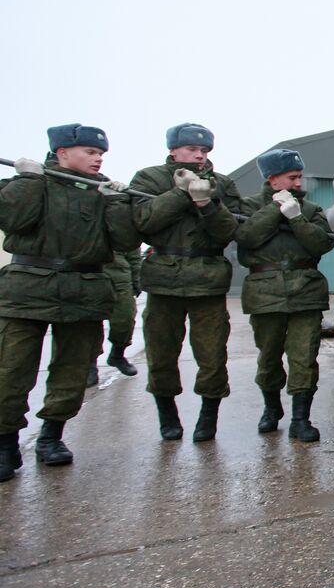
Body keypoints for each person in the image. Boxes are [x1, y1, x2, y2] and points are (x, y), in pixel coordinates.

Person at [0, 125, 140, 482]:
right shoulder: (30, 183)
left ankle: (52, 437)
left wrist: (116, 202)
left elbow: (124, 241)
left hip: (84, 289)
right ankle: (5, 444)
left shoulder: (100, 192)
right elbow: (13, 219)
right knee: (12, 370)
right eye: (90, 153)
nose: (98, 159)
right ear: (62, 152)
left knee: (72, 370)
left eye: (101, 155)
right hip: (28, 289)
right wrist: (27, 181)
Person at [130, 123, 241, 442]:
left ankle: (208, 417)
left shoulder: (221, 184)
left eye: (204, 151)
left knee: (212, 355)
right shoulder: (149, 178)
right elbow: (143, 222)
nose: (199, 155)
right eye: (192, 149)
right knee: (161, 353)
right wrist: (180, 193)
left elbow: (228, 231)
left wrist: (208, 204)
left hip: (207, 278)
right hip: (164, 279)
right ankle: (168, 415)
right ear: (173, 150)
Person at [234, 149, 333, 442]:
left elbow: (320, 244)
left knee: (304, 358)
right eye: (292, 177)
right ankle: (271, 409)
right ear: (273, 179)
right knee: (269, 358)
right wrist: (274, 210)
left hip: (306, 292)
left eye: (300, 176)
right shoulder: (248, 206)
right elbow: (246, 239)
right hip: (266, 295)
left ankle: (300, 420)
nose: (299, 182)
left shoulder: (311, 209)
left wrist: (295, 217)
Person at [87, 224, 142, 386]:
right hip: (89, 273)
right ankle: (90, 364)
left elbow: (133, 248)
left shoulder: (119, 211)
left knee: (125, 318)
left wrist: (136, 277)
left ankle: (118, 354)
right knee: (90, 324)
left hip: (120, 275)